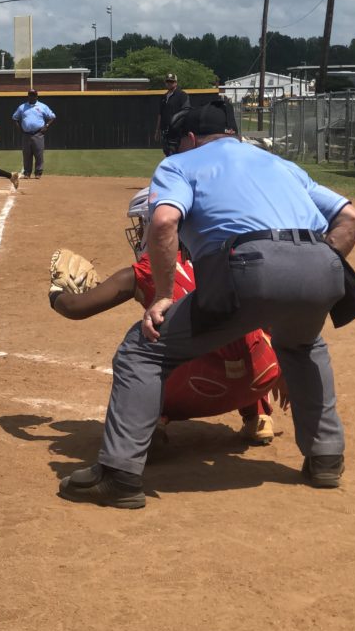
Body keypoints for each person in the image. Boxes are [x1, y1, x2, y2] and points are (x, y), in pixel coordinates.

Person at [60, 99, 355, 509]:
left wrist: (166, 295)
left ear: (190, 137)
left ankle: (119, 475)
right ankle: (326, 459)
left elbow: (165, 221)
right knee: (304, 346)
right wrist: (320, 262)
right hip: (322, 263)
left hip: (247, 264)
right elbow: (353, 220)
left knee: (142, 351)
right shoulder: (280, 164)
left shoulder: (181, 164)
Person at [50, 188, 281, 445]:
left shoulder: (149, 268)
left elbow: (75, 308)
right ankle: (258, 416)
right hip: (263, 375)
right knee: (250, 330)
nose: (138, 234)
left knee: (144, 344)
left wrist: (55, 292)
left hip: (202, 387)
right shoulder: (227, 252)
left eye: (141, 225)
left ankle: (151, 425)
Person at [12, 89, 55, 179]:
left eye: (33, 95)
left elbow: (52, 116)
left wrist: (46, 125)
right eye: (30, 95)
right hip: (26, 134)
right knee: (26, 154)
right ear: (28, 96)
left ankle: (38, 172)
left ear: (36, 96)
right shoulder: (22, 107)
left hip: (38, 133)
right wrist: (20, 129)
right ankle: (27, 173)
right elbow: (15, 118)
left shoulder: (42, 106)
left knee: (39, 154)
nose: (32, 96)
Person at [154, 73, 189, 156]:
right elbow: (160, 114)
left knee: (176, 153)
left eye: (171, 81)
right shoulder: (164, 97)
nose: (169, 83)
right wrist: (157, 130)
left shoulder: (182, 95)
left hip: (177, 131)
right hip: (165, 130)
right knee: (167, 152)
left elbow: (186, 111)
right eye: (168, 81)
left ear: (176, 83)